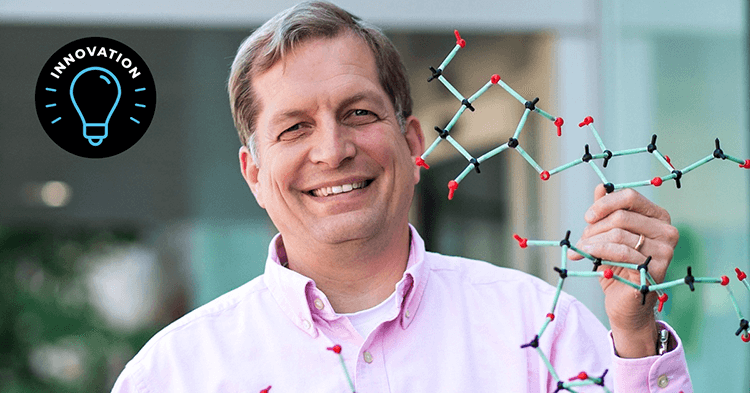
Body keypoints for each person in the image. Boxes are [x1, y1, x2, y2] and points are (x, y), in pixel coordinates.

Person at [112, 2, 691, 392]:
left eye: (358, 113)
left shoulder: (540, 322)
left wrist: (637, 337)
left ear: (413, 144)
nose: (333, 150)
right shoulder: (174, 375)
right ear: (254, 175)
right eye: (294, 128)